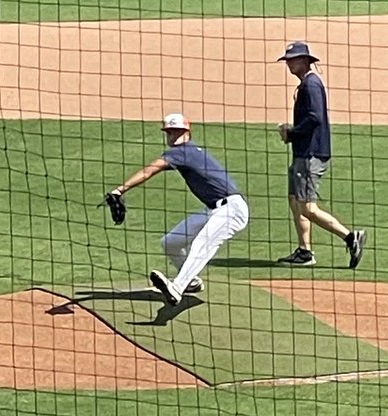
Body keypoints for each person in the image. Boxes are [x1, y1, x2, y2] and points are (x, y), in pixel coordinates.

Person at [108, 112, 249, 306]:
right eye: (170, 132)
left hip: (232, 210)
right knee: (171, 242)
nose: (173, 136)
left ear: (187, 132)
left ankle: (177, 288)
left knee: (202, 243)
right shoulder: (187, 152)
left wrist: (119, 190)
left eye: (177, 131)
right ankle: (191, 282)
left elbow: (150, 169)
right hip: (215, 210)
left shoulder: (183, 152)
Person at [276, 40, 366, 268]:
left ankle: (350, 237)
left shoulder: (311, 84)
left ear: (306, 61)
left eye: (293, 59)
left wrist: (292, 133)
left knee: (307, 206)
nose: (289, 64)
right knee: (295, 200)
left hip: (310, 154)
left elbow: (315, 117)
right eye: (288, 60)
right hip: (304, 153)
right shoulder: (307, 84)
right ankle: (304, 252)